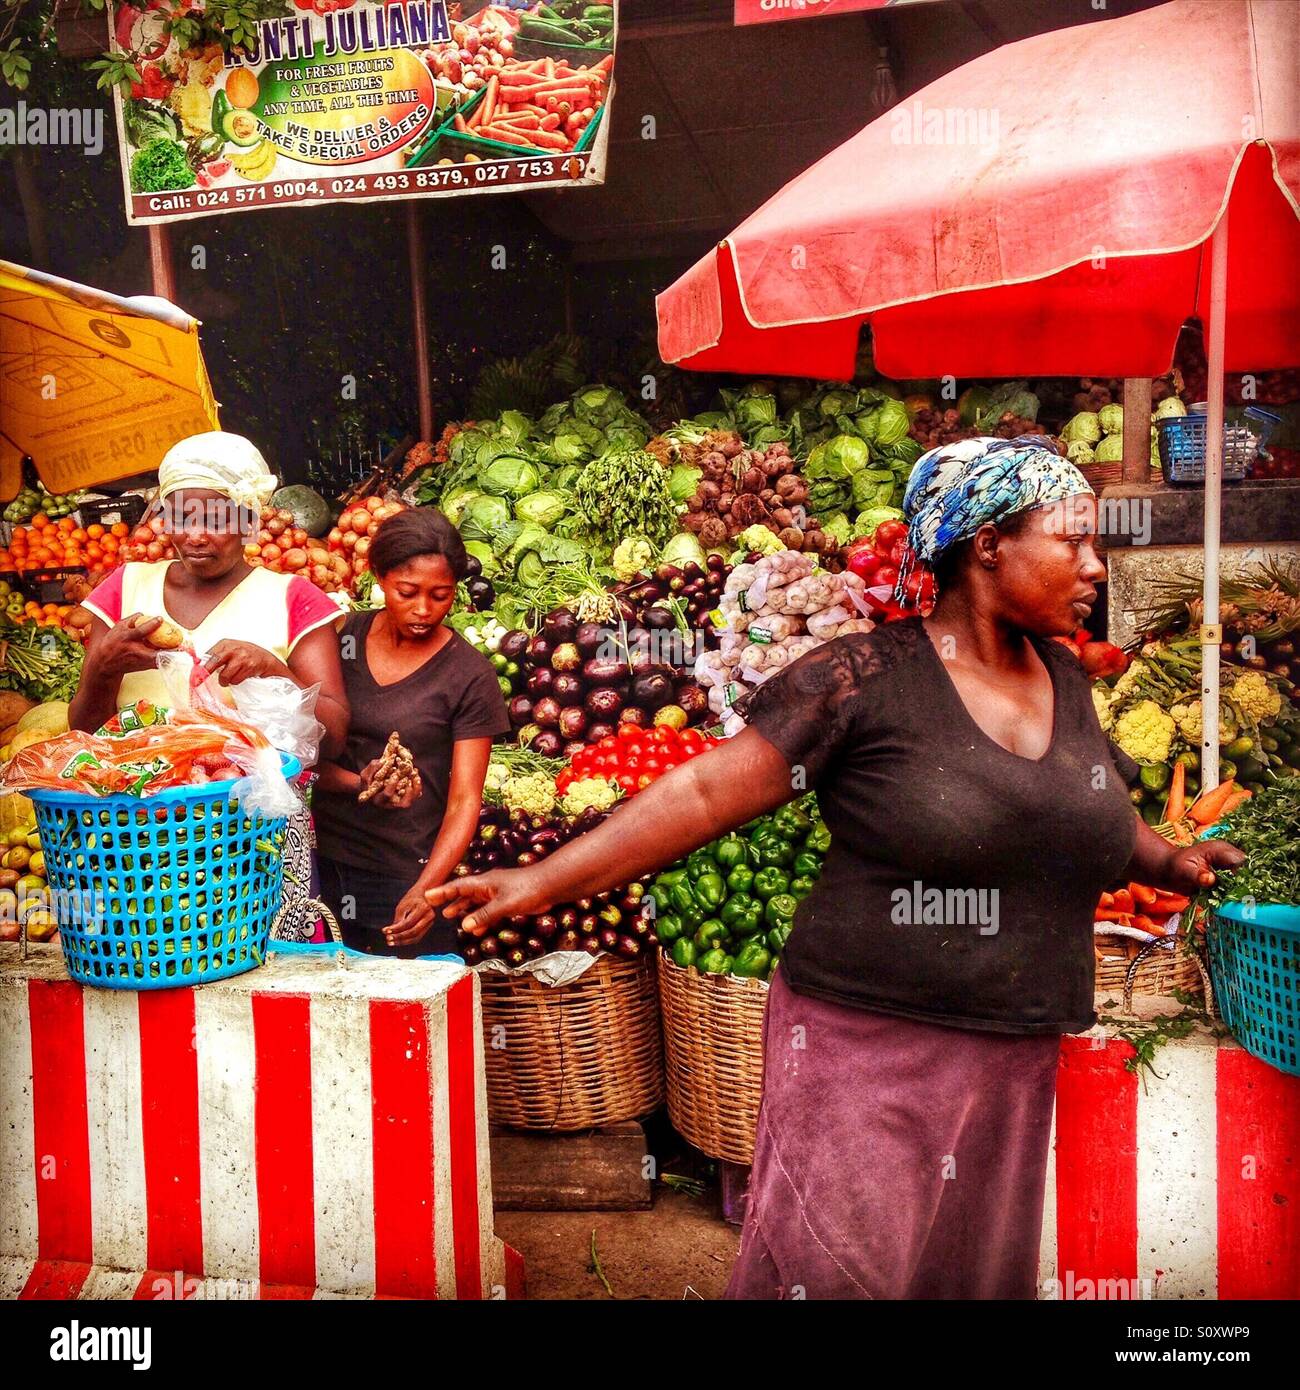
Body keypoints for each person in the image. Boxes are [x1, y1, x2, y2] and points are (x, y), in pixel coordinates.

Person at [427, 436, 1244, 1300]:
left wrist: (1174, 857)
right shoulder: (864, 678)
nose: (1096, 566)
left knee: (964, 1277)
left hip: (1012, 1051)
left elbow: (1096, 813)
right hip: (869, 1046)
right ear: (988, 545)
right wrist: (539, 880)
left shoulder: (1064, 680)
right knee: (837, 1274)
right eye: (1072, 540)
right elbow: (703, 795)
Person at [71, 431, 349, 941]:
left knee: (258, 978)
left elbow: (333, 734)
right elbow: (84, 731)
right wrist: (103, 669)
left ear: (248, 519)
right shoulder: (124, 588)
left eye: (215, 519)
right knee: (151, 960)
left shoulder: (293, 597)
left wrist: (275, 670)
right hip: (135, 832)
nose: (195, 535)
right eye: (181, 517)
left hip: (255, 834)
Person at [313, 508, 509, 958]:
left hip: (405, 873)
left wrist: (427, 888)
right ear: (378, 577)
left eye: (441, 596)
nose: (424, 610)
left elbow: (465, 799)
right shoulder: (340, 639)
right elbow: (304, 759)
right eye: (407, 592)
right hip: (325, 864)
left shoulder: (469, 676)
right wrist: (360, 784)